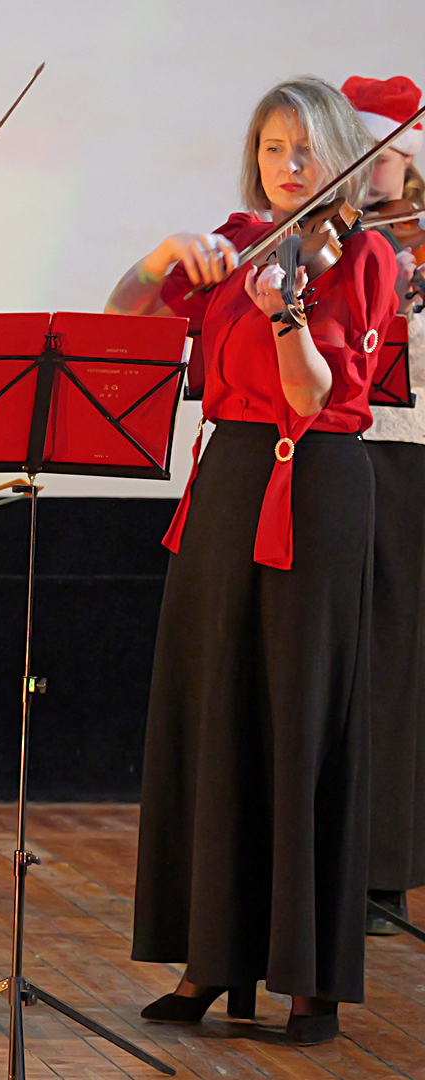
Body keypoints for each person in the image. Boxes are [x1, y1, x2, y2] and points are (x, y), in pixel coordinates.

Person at [106, 77, 397, 1046]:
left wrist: (285, 317)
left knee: (302, 717)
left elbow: (313, 397)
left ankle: (310, 980)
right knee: (215, 710)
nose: (288, 166)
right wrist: (160, 258)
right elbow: (125, 326)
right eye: (273, 148)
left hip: (317, 487)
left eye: (306, 148)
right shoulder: (236, 244)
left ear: (341, 154)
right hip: (229, 479)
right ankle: (211, 960)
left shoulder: (362, 256)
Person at [341, 74, 425, 936]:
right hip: (329, 453)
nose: (372, 171)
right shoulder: (318, 238)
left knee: (395, 667)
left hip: (408, 460)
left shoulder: (415, 248)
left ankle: (382, 870)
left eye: (387, 155)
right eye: (359, 153)